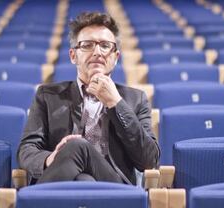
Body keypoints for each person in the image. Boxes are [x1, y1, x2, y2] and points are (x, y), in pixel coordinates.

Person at [18, 12, 159, 185]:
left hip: (114, 188)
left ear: (115, 57)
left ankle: (33, 207)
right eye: (87, 45)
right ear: (73, 56)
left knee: (77, 146)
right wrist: (50, 158)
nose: (97, 52)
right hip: (66, 182)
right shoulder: (48, 96)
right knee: (82, 176)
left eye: (105, 45)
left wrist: (116, 104)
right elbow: (27, 150)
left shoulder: (136, 99)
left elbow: (149, 160)